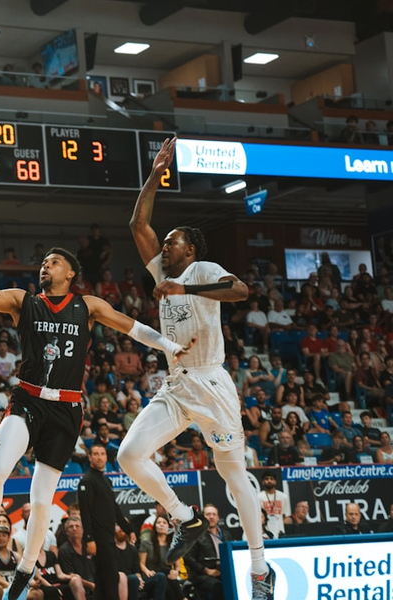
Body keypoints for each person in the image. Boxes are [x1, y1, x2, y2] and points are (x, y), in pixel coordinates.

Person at [0, 237, 188, 600]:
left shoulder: (87, 305)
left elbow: (131, 327)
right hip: (28, 398)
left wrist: (170, 347)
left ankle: (26, 569)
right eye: (43, 262)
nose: (45, 265)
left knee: (42, 499)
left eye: (54, 262)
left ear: (71, 273)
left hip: (67, 409)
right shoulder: (22, 301)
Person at [121, 136, 273, 599]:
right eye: (164, 244)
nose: (165, 246)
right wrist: (154, 174)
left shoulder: (203, 270)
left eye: (173, 242)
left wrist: (186, 292)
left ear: (191, 249)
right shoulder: (162, 275)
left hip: (213, 384)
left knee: (234, 477)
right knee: (129, 454)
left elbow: (242, 291)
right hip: (177, 386)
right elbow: (137, 222)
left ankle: (260, 570)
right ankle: (183, 517)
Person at [77, 442, 132, 600]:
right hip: (98, 538)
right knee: (111, 577)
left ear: (106, 457)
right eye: (95, 454)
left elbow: (114, 509)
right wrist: (89, 538)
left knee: (101, 578)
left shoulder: (106, 481)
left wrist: (128, 529)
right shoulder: (87, 481)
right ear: (89, 457)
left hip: (109, 536)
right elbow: (85, 512)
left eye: (102, 454)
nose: (99, 457)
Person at [185, 504, 232, 600]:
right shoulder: (195, 534)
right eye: (208, 514)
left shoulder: (226, 534)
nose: (211, 517)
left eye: (214, 514)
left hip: (225, 571)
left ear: (218, 518)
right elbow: (188, 557)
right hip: (203, 574)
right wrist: (205, 570)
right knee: (218, 586)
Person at [256, 471, 290, 539]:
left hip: (280, 531)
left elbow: (284, 516)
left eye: (271, 479)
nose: (269, 481)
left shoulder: (283, 497)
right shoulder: (258, 497)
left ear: (275, 482)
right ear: (263, 482)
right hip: (265, 532)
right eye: (266, 479)